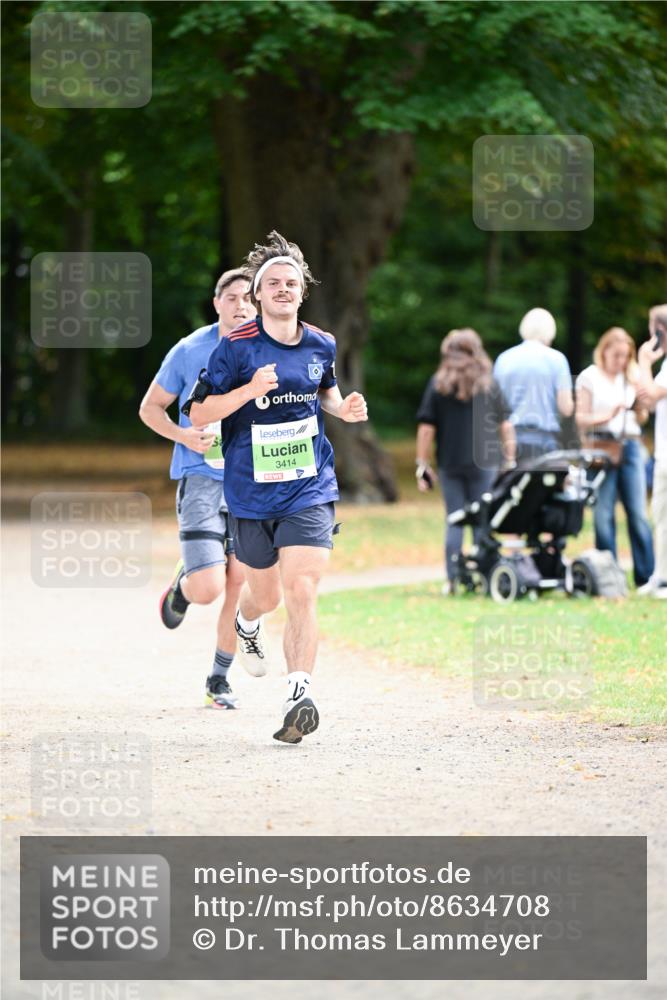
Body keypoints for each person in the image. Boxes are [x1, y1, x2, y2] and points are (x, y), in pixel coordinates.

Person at [185, 231, 368, 744]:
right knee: (262, 595)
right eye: (274, 283)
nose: (284, 289)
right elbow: (199, 412)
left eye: (292, 282)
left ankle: (299, 695)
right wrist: (248, 390)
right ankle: (246, 624)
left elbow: (325, 393)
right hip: (249, 491)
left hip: (309, 486)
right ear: (258, 295)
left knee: (302, 588)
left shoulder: (321, 343)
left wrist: (344, 409)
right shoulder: (234, 348)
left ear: (301, 292)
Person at [139, 269, 252, 709]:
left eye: (248, 298)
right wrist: (183, 435)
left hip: (248, 482)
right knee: (209, 588)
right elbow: (150, 409)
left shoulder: (265, 348)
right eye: (233, 297)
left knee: (239, 582)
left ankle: (218, 680)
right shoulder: (190, 350)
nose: (241, 305)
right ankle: (183, 587)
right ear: (217, 302)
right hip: (202, 479)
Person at [415, 328, 515, 592]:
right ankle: (485, 576)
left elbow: (426, 428)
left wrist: (422, 463)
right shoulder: (489, 384)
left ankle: (453, 578)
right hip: (485, 463)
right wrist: (510, 458)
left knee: (455, 519)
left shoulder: (438, 384)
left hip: (450, 462)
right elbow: (506, 424)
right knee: (483, 520)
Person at [575, 326, 654, 588]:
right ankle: (609, 576)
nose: (620, 361)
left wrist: (640, 408)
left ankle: (647, 576)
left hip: (630, 446)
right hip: (602, 448)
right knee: (603, 514)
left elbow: (641, 418)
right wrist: (607, 415)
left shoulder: (630, 377)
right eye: (616, 355)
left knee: (638, 513)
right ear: (604, 350)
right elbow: (580, 418)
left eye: (625, 356)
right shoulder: (589, 377)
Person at [493, 307, 574, 461]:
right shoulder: (557, 359)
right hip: (545, 441)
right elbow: (566, 408)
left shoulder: (504, 359)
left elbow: (492, 405)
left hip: (508, 440)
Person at [636, 304, 667, 598]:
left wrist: (644, 361)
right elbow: (649, 402)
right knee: (660, 516)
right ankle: (661, 576)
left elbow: (650, 395)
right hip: (663, 454)